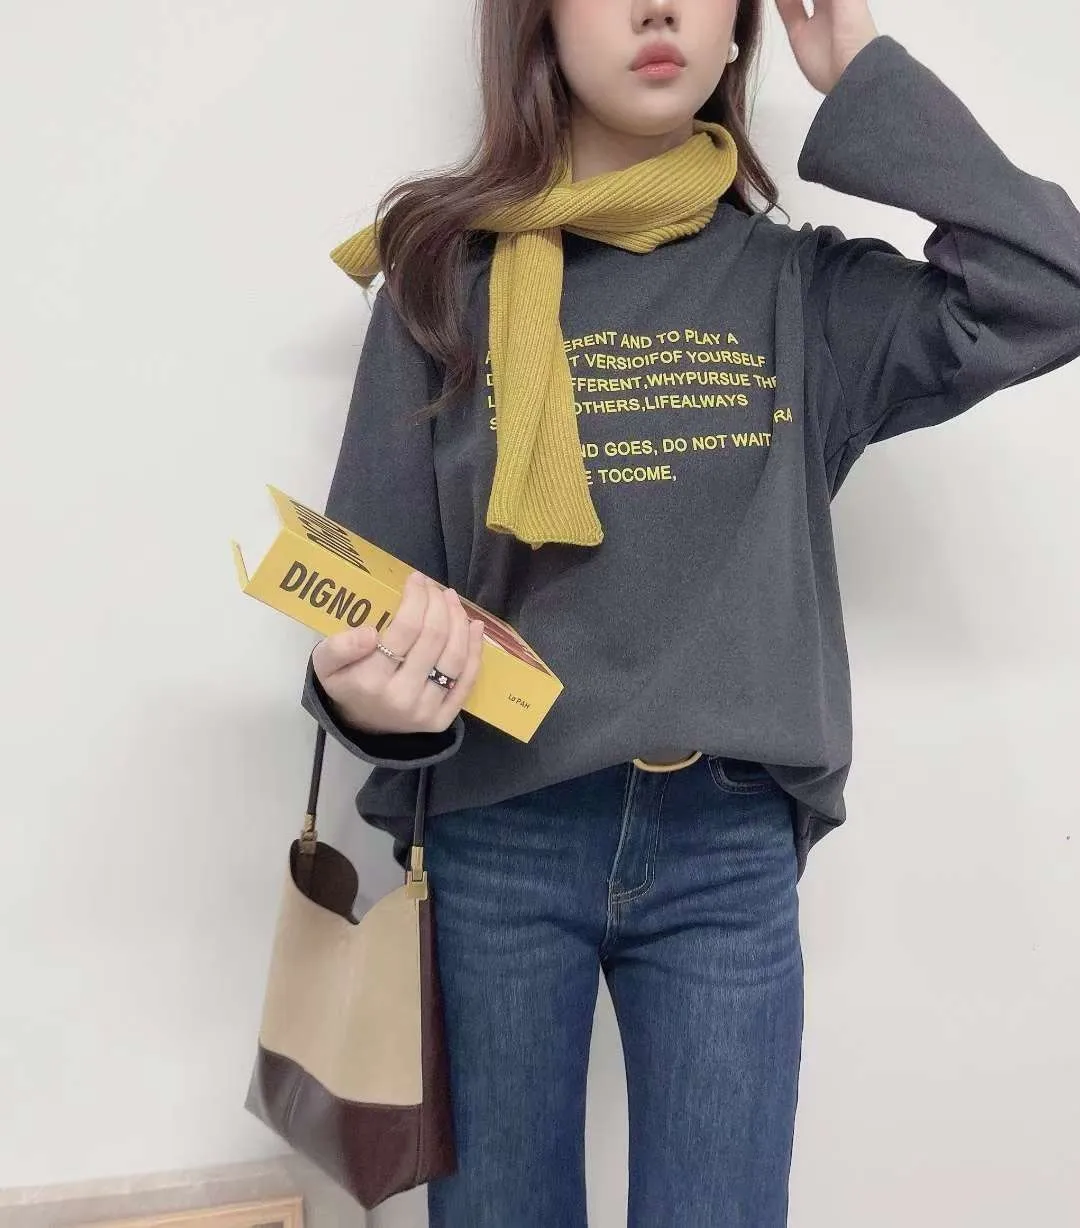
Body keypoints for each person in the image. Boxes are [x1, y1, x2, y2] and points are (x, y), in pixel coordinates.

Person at [303, 0, 1080, 1223]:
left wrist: (865, 76)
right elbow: (368, 587)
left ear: (740, 26)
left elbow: (1050, 285)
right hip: (499, 838)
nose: (658, 7)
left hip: (726, 853)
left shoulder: (799, 292)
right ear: (539, 21)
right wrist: (365, 696)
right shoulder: (443, 281)